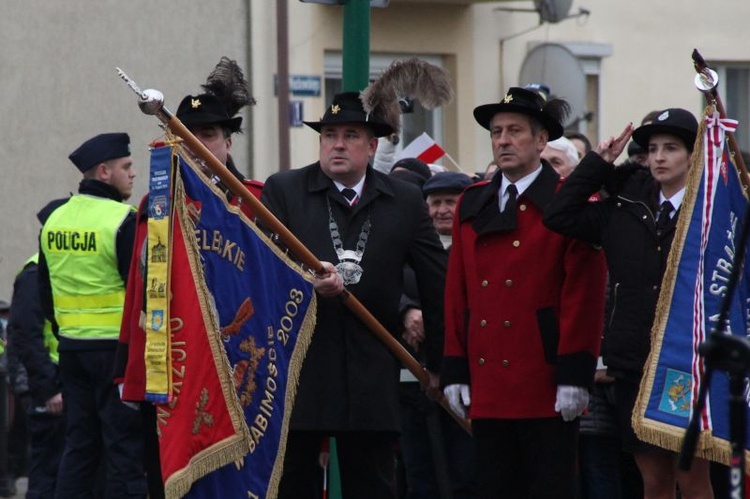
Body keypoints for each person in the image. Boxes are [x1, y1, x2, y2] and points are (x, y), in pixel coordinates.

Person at [261, 91, 448, 499]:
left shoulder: (404, 199)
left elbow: (437, 282)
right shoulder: (285, 190)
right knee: (293, 484)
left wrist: (438, 362)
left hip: (373, 368)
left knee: (373, 483)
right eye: (329, 135)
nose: (338, 144)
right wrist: (304, 282)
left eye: (350, 135)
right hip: (301, 367)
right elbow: (262, 270)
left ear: (373, 145)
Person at [441, 86, 607, 498]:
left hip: (543, 376)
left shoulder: (567, 202)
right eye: (496, 132)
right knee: (493, 487)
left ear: (540, 140)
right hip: (489, 377)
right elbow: (457, 292)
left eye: (515, 130)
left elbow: (583, 294)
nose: (503, 140)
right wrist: (455, 367)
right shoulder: (473, 201)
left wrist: (575, 373)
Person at [544, 108, 714, 498]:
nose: (658, 157)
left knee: (692, 478)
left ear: (694, 155)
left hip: (689, 363)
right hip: (634, 363)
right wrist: (599, 163)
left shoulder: (710, 211)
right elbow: (559, 215)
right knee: (653, 480)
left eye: (671, 148)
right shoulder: (623, 206)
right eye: (652, 148)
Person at [113, 56, 258, 499]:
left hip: (239, 366)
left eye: (210, 135)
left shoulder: (255, 203)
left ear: (229, 142)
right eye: (186, 137)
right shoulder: (153, 205)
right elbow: (138, 293)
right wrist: (129, 370)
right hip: (170, 366)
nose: (198, 145)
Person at [38, 132, 146, 499]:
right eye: (126, 167)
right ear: (104, 172)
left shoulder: (55, 219)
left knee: (79, 446)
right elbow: (141, 292)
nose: (133, 174)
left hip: (71, 351)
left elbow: (46, 294)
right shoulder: (122, 220)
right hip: (115, 355)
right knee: (124, 449)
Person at [7, 199, 67, 499]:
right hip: (51, 389)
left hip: (66, 383)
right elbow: (25, 336)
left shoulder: (58, 270)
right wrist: (48, 390)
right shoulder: (35, 273)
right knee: (46, 474)